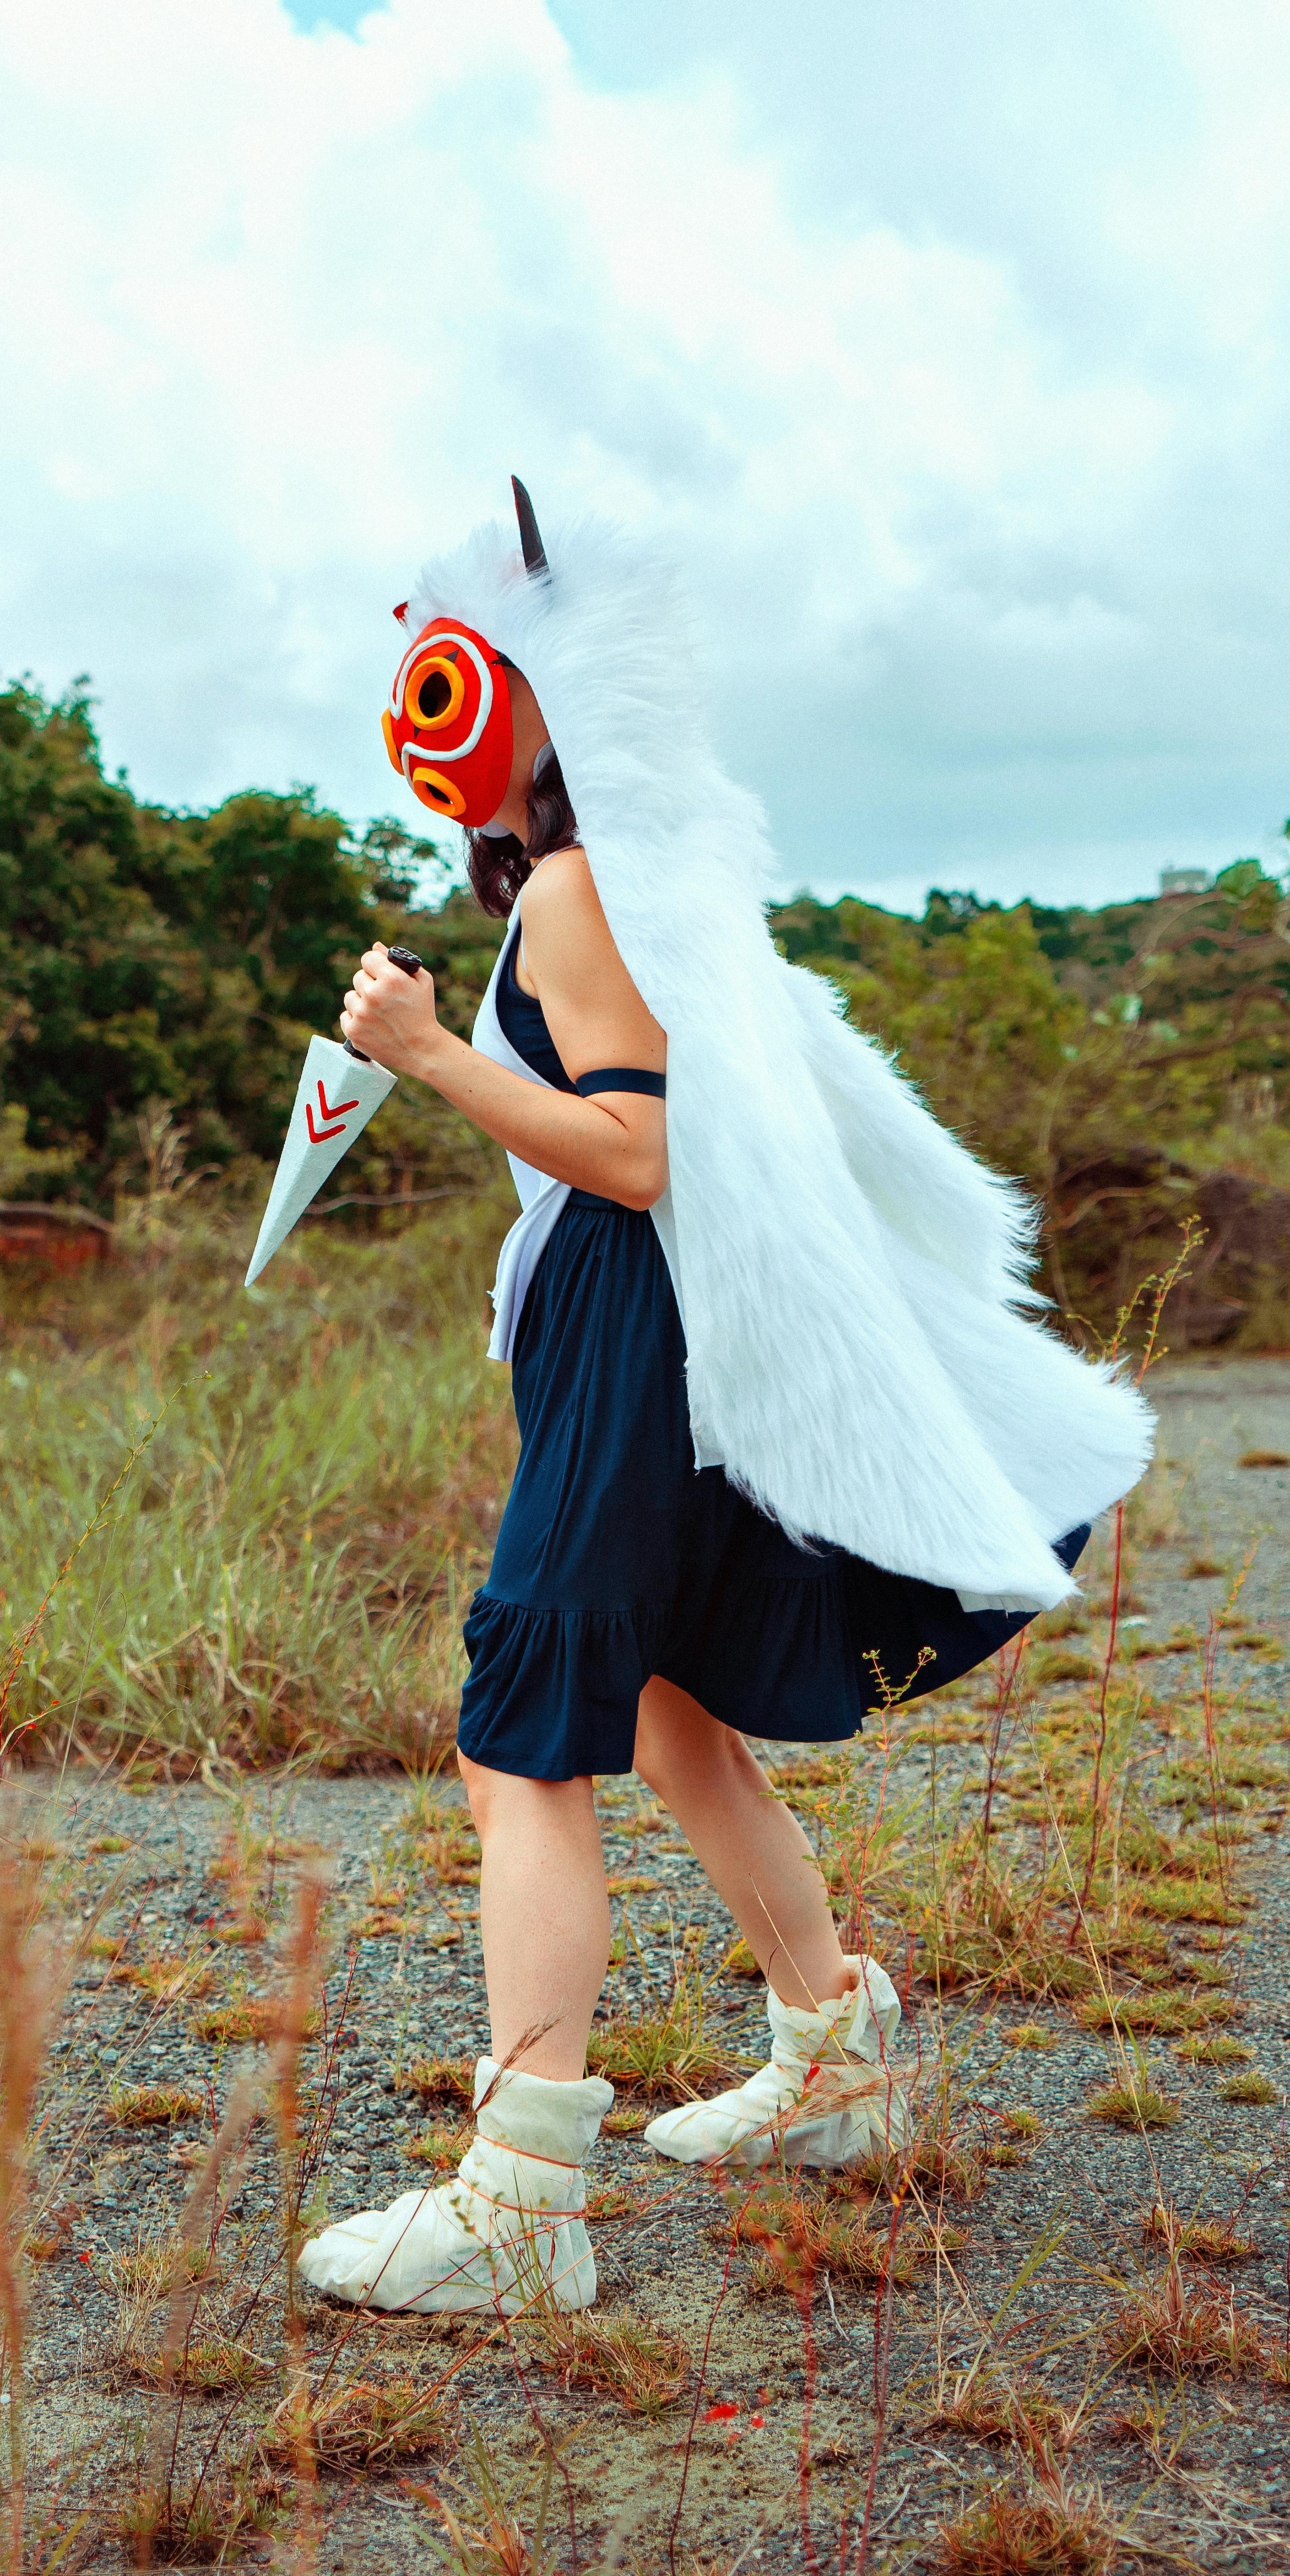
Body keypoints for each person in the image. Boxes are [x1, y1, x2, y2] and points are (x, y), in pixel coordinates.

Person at [295, 485, 1152, 2321]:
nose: (429, 713)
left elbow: (629, 1149)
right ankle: (831, 2047)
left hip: (641, 1337)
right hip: (670, 1336)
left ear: (536, 706)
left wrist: (429, 1055)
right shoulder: (642, 888)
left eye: (461, 676)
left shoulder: (581, 896)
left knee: (522, 1741)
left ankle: (523, 2197)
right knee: (671, 1709)